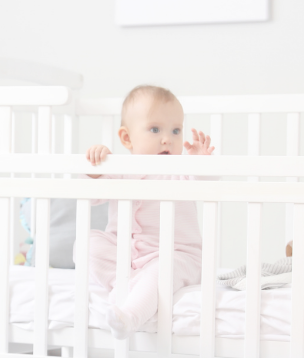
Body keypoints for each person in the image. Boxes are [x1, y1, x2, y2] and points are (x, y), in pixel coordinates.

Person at [84, 85, 215, 339]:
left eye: (176, 130)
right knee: (88, 244)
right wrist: (95, 166)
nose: (167, 138)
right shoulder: (119, 168)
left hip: (177, 255)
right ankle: (129, 284)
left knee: (162, 270)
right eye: (155, 130)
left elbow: (206, 184)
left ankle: (130, 315)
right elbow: (91, 194)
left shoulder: (181, 169)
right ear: (126, 138)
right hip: (126, 255)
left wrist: (202, 162)